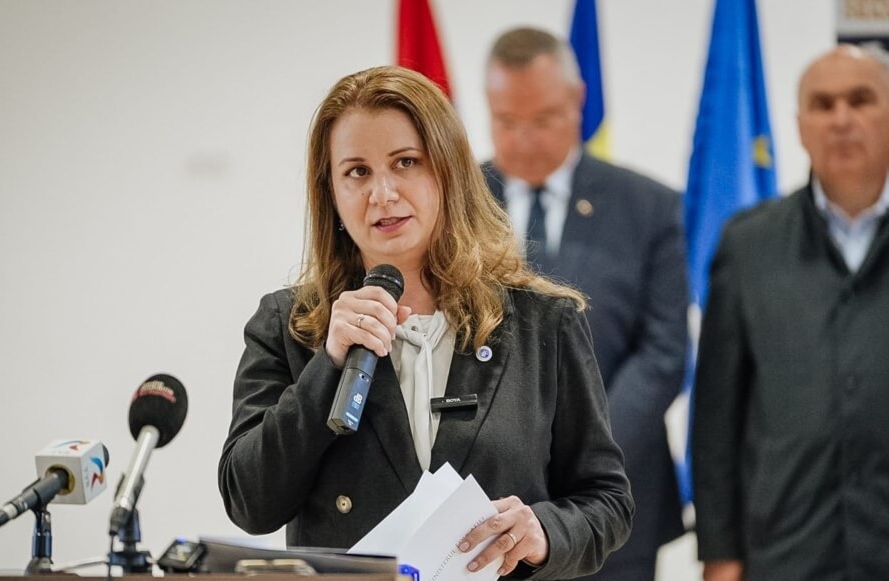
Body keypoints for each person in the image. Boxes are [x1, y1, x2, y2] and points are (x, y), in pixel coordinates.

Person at [218, 65, 633, 579]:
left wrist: (543, 531)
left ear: (448, 171)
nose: (383, 193)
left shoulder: (545, 323)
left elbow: (607, 501)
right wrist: (328, 364)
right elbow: (249, 503)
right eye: (357, 172)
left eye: (406, 162)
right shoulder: (288, 325)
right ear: (331, 193)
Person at [692, 45, 889, 580]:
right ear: (801, 127)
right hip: (788, 551)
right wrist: (720, 553)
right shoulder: (748, 245)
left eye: (861, 100)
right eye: (823, 105)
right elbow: (717, 416)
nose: (842, 119)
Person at [481, 27, 688, 581]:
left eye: (543, 119)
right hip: (489, 508)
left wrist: (584, 449)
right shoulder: (456, 202)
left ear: (577, 101)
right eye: (506, 121)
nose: (525, 139)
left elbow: (663, 352)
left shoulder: (649, 206)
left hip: (616, 494)